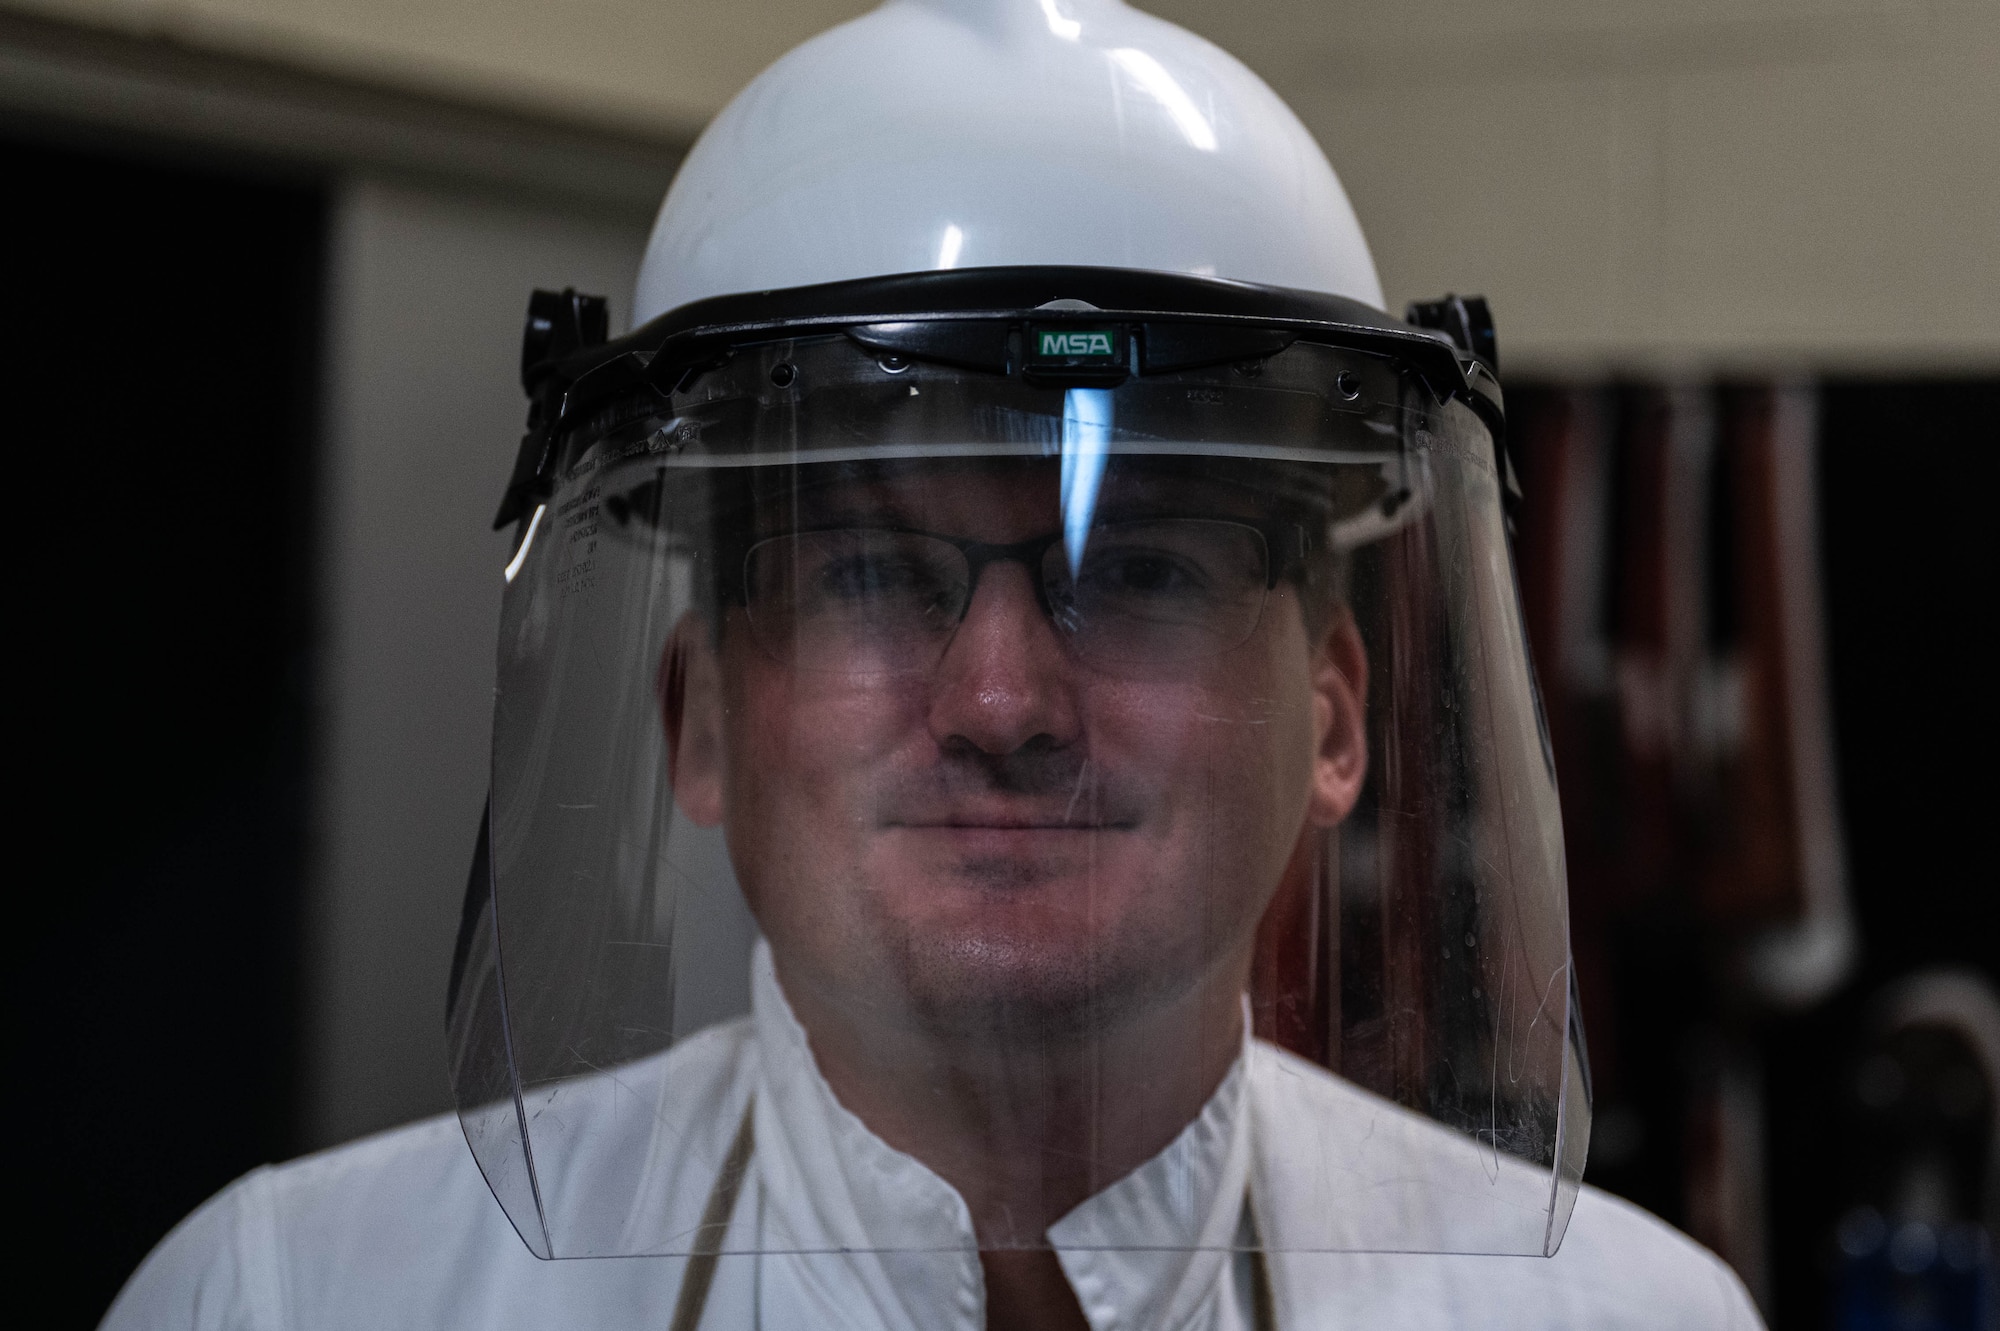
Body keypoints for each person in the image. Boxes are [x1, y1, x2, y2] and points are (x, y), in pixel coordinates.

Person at [105, 1, 1764, 1327]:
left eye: (1138, 571)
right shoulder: (293, 1300)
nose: (1000, 706)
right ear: (696, 720)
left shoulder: (1622, 1319)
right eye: (872, 578)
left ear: (1337, 715)